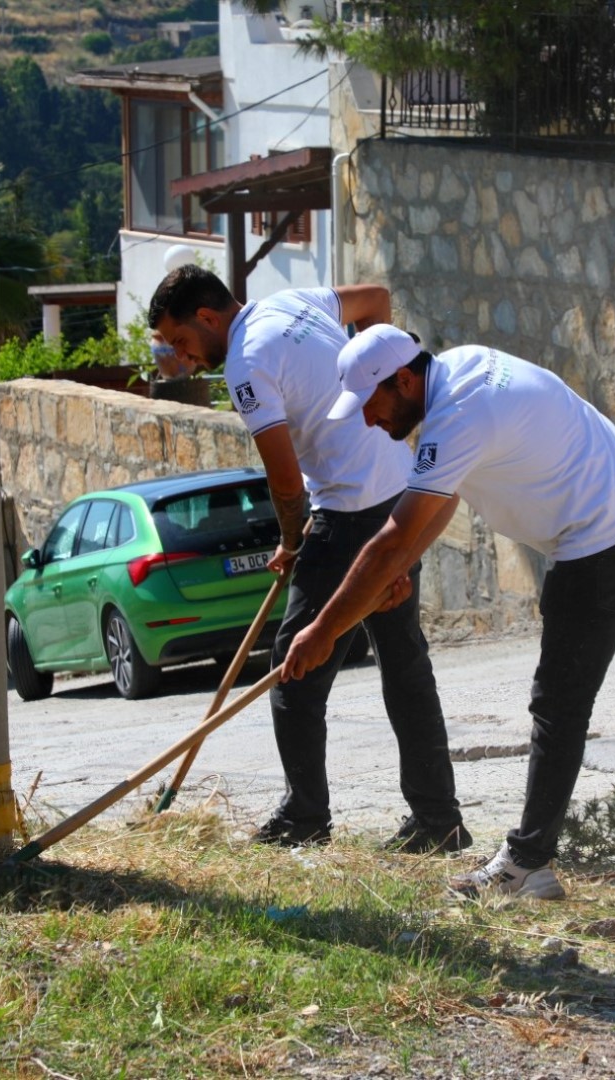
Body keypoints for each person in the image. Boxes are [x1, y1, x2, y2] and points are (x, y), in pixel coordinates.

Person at [280, 324, 615, 899]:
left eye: (370, 404)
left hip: (600, 544)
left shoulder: (456, 416)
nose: (367, 420)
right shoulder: (466, 368)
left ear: (404, 379)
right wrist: (398, 567)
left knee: (558, 703)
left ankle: (526, 864)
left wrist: (324, 630)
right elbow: (441, 499)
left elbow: (391, 537)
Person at [146, 267, 470, 854]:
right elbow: (375, 298)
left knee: (294, 673)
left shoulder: (246, 365)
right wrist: (385, 399)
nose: (185, 360)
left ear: (208, 318)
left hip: (348, 514)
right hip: (401, 496)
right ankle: (437, 820)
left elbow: (284, 477)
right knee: (404, 667)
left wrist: (294, 542)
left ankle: (304, 819)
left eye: (183, 343)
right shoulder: (294, 303)